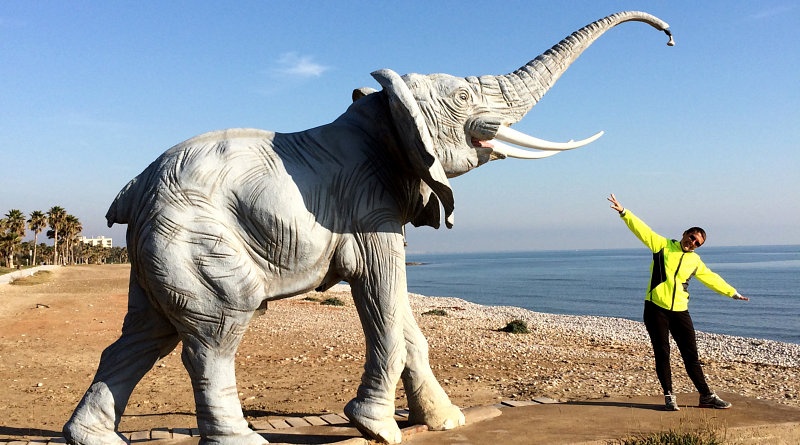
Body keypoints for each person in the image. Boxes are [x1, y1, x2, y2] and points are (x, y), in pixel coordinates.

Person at [607, 193, 749, 411]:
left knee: (691, 356)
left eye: (697, 243)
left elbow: (711, 278)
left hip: (680, 311)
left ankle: (706, 396)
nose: (692, 243)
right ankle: (669, 396)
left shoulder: (695, 261)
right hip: (656, 309)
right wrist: (624, 213)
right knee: (662, 353)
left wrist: (732, 293)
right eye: (691, 237)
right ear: (685, 233)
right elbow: (642, 230)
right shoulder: (662, 245)